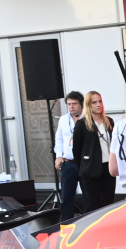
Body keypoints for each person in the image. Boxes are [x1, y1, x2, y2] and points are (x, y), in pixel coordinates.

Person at [72, 90, 115, 212]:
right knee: (94, 204)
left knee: (109, 202)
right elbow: (77, 149)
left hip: (108, 168)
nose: (98, 105)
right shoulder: (82, 124)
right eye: (94, 102)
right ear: (88, 105)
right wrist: (83, 169)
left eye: (100, 101)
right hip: (91, 169)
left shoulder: (109, 121)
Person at [54, 91, 86, 221]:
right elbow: (59, 139)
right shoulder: (63, 119)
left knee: (88, 195)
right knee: (66, 197)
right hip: (68, 162)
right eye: (69, 104)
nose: (71, 106)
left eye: (74, 104)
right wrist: (58, 156)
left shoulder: (87, 118)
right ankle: (66, 225)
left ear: (81, 104)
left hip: (84, 163)